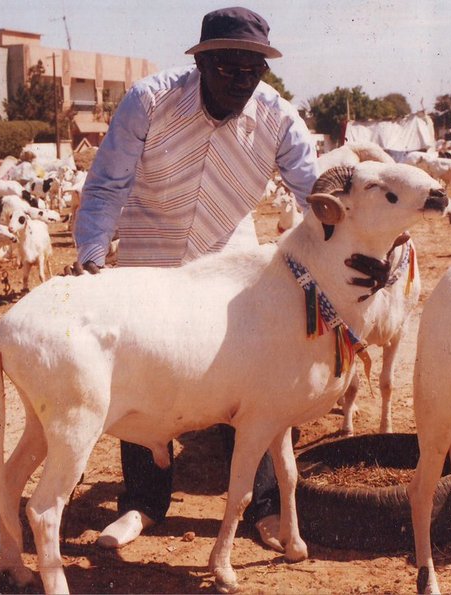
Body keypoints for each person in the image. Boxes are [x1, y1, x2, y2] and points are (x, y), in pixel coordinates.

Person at [66, 6, 389, 552]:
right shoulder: (148, 101)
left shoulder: (278, 118)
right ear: (202, 62)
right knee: (145, 370)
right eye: (228, 69)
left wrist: (366, 244)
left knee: (255, 377)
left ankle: (263, 507)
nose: (241, 81)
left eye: (253, 70)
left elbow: (319, 198)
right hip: (151, 252)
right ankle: (143, 504)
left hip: (230, 261)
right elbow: (105, 188)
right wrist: (93, 258)